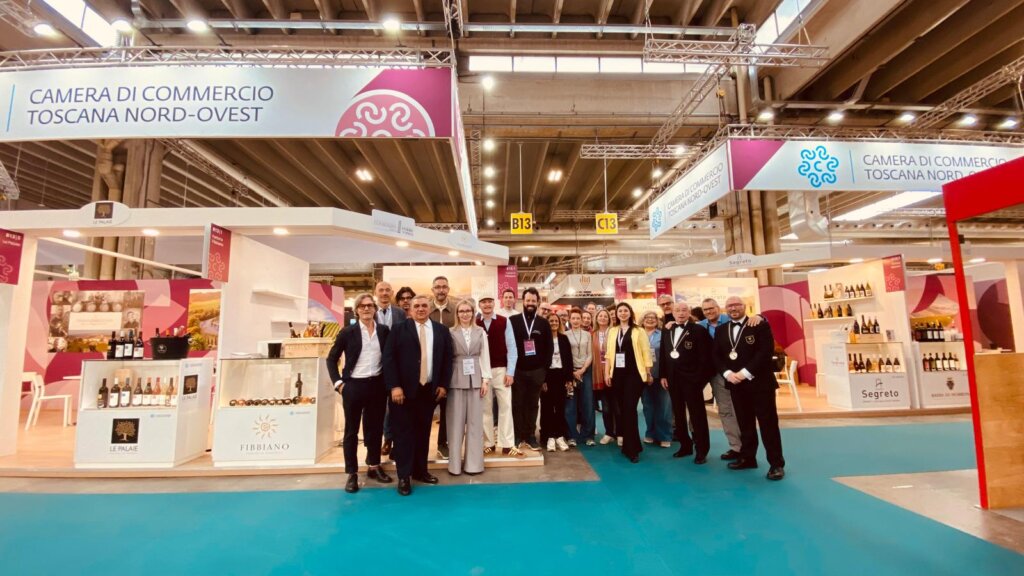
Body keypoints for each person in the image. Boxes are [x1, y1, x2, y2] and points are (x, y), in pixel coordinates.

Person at [383, 295, 454, 496]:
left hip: (428, 391)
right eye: (417, 306)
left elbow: (447, 359)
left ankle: (420, 471)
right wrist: (394, 386)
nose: (421, 309)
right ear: (410, 309)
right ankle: (404, 476)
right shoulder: (398, 330)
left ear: (430, 308)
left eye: (424, 305)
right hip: (402, 393)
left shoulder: (441, 330)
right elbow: (389, 359)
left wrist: (443, 385)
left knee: (423, 433)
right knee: (403, 435)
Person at [326, 293, 393, 493]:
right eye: (362, 306)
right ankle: (352, 473)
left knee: (375, 429)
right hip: (353, 386)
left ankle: (374, 465)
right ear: (356, 310)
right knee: (351, 432)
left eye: (370, 305)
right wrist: (339, 383)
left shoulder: (384, 331)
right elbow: (331, 359)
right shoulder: (348, 332)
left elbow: (389, 357)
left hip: (377, 386)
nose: (366, 309)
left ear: (375, 309)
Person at [714, 296, 785, 481]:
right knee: (744, 424)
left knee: (768, 424)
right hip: (735, 384)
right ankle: (748, 458)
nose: (733, 308)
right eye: (729, 306)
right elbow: (717, 356)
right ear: (725, 309)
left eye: (737, 305)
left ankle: (776, 464)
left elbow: (765, 352)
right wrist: (727, 373)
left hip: (760, 384)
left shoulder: (759, 325)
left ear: (744, 307)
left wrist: (744, 373)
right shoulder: (721, 330)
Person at [699, 298, 763, 461]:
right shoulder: (700, 325)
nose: (709, 312)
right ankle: (736, 446)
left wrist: (760, 316)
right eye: (705, 309)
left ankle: (743, 447)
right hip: (710, 371)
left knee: (736, 410)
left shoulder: (732, 318)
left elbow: (759, 323)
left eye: (712, 308)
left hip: (732, 372)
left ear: (719, 308)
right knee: (725, 410)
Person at [660, 302, 714, 464]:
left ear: (689, 312)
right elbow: (663, 353)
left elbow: (706, 358)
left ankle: (702, 450)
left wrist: (698, 379)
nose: (681, 313)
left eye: (684, 310)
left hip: (692, 380)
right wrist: (663, 375)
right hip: (672, 379)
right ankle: (685, 445)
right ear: (673, 313)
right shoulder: (667, 329)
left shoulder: (699, 330)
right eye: (677, 310)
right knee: (678, 414)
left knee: (697, 415)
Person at [605, 302, 653, 463]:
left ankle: (631, 449)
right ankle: (632, 444)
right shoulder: (612, 331)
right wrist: (607, 374)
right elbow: (608, 355)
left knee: (630, 409)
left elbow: (646, 352)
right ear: (616, 314)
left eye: (626, 310)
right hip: (617, 376)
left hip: (634, 375)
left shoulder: (639, 331)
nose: (623, 313)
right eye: (620, 311)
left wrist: (648, 372)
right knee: (622, 411)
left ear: (630, 313)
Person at [447, 299, 491, 476]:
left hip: (476, 379)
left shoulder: (480, 332)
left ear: (473, 313)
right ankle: (454, 465)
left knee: (475, 423)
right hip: (455, 379)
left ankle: (474, 465)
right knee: (455, 423)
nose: (465, 314)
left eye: (468, 311)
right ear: (457, 314)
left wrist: (485, 379)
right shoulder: (450, 332)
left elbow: (485, 356)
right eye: (461, 311)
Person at [477, 294, 521, 457]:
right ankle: (488, 443)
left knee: (506, 407)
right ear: (479, 305)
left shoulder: (504, 321)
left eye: (489, 301)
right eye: (483, 302)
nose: (487, 304)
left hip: (501, 370)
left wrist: (510, 372)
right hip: (483, 372)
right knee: (485, 408)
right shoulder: (475, 323)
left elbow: (512, 348)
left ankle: (507, 444)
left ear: (494, 303)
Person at [508, 288, 552, 452]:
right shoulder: (512, 321)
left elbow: (549, 348)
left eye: (533, 301)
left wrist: (543, 371)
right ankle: (518, 435)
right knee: (517, 404)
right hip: (518, 371)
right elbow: (508, 346)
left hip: (537, 372)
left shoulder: (543, 323)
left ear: (538, 302)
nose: (530, 304)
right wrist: (510, 370)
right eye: (528, 301)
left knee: (533, 404)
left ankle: (531, 435)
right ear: (523, 301)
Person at [374, 281, 406, 457]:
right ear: (376, 292)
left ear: (392, 293)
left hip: (397, 366)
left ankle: (393, 441)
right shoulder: (369, 311)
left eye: (387, 290)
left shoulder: (400, 313)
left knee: (395, 407)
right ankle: (384, 439)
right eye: (381, 290)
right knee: (378, 407)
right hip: (375, 366)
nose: (384, 293)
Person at [428, 276, 457, 459]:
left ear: (448, 289)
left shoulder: (455, 311)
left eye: (444, 287)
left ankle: (442, 443)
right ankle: (420, 444)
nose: (441, 290)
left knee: (447, 409)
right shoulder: (425, 309)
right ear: (432, 290)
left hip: (449, 364)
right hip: (428, 366)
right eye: (437, 287)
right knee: (425, 409)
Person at [541, 314, 574, 452]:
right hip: (548, 376)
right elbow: (541, 360)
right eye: (551, 321)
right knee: (547, 407)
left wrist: (569, 379)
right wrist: (542, 379)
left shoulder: (564, 338)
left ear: (559, 323)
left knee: (560, 407)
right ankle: (549, 436)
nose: (554, 323)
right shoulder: (543, 339)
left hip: (561, 375)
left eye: (556, 321)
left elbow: (569, 359)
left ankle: (560, 436)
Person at [640, 310, 672, 448]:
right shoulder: (638, 334)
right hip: (643, 377)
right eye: (647, 317)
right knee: (648, 407)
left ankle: (664, 435)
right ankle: (650, 433)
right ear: (642, 320)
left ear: (657, 320)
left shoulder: (663, 334)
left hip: (660, 375)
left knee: (664, 407)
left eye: (653, 317)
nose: (650, 319)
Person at [565, 308, 593, 447]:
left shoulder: (587, 335)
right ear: (569, 320)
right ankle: (571, 436)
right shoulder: (565, 335)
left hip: (585, 372)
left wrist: (583, 369)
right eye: (573, 318)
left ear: (582, 320)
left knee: (588, 404)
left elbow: (590, 354)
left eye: (578, 318)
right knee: (570, 405)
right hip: (570, 373)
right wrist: (572, 371)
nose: (576, 321)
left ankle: (588, 435)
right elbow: (564, 355)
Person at [592, 308, 616, 446]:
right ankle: (609, 433)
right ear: (596, 318)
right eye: (600, 316)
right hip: (599, 374)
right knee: (606, 406)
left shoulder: (614, 332)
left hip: (614, 373)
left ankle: (620, 433)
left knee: (617, 405)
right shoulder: (592, 334)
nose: (602, 318)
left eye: (605, 316)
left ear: (609, 319)